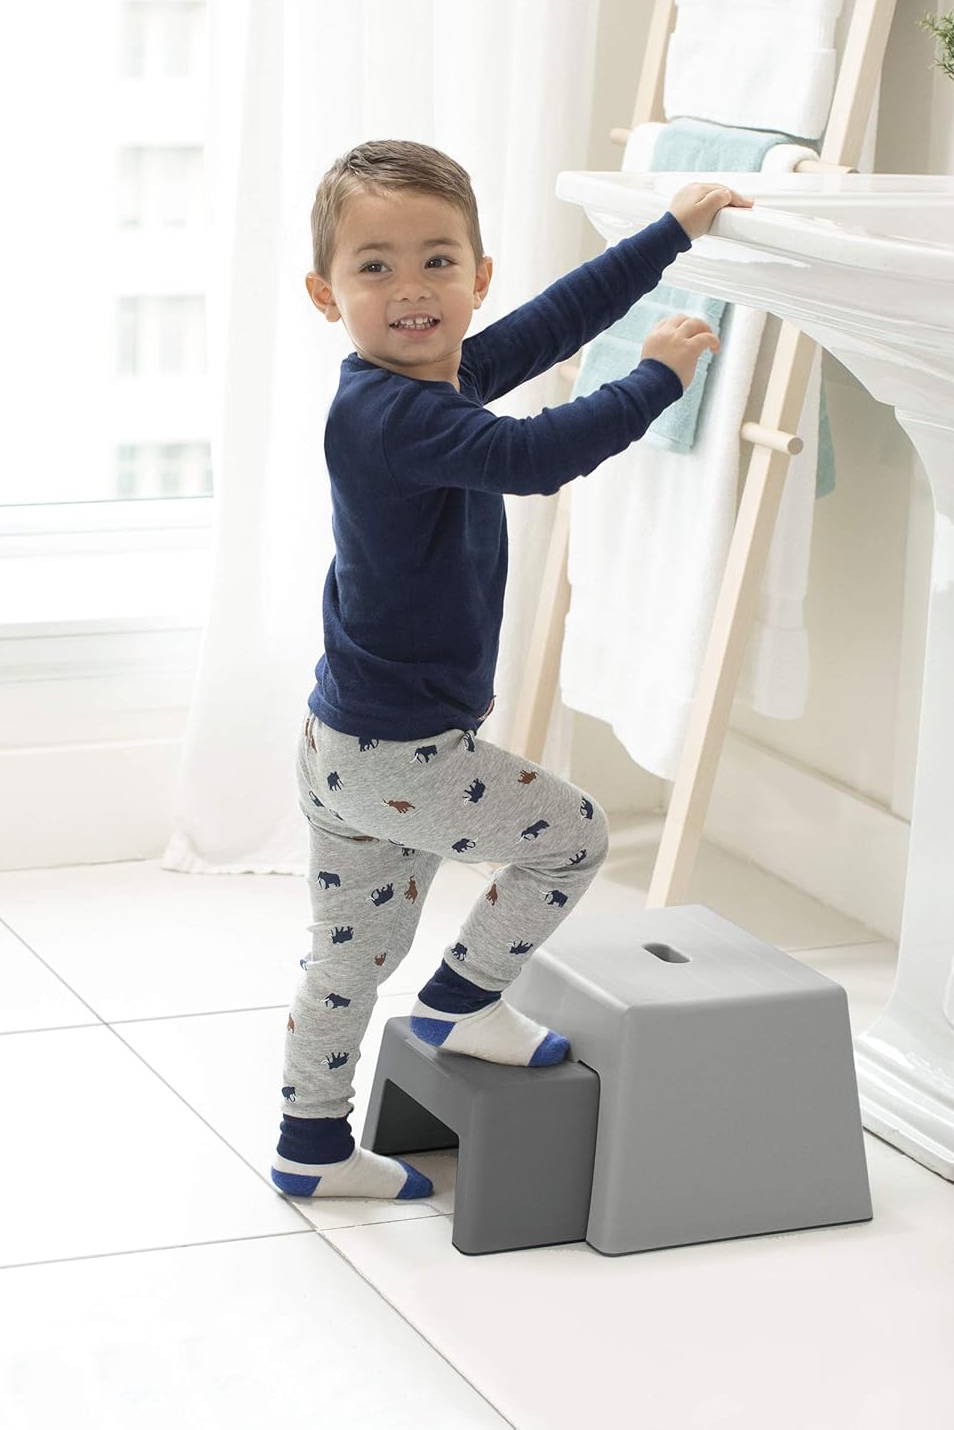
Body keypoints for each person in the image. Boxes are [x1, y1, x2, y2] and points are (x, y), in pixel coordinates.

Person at [270, 138, 753, 1200]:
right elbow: (536, 459)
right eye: (375, 266)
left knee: (350, 958)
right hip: (401, 752)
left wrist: (669, 234)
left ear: (477, 277)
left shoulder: (427, 381)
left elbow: (552, 323)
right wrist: (657, 378)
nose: (411, 288)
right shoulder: (394, 415)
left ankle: (309, 1149)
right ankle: (460, 1002)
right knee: (572, 840)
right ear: (325, 293)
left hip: (346, 745)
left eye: (439, 261)